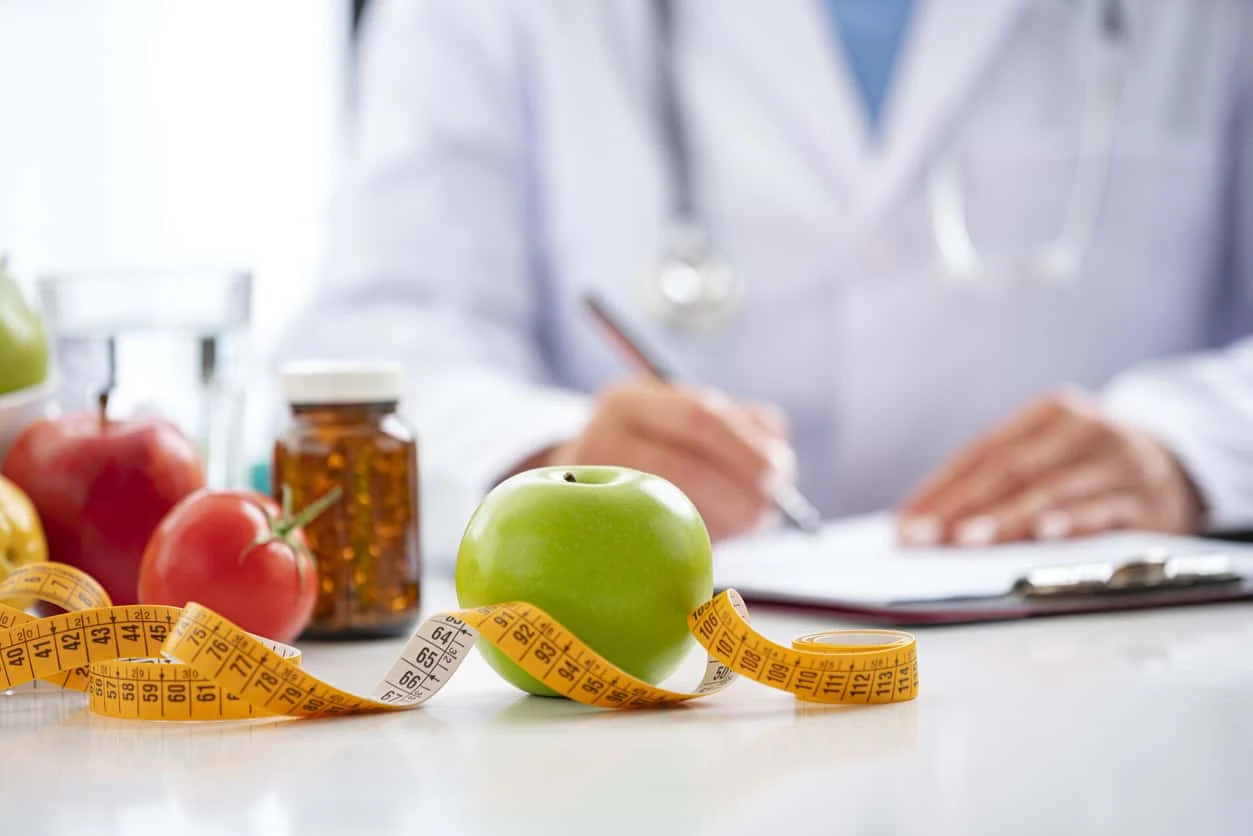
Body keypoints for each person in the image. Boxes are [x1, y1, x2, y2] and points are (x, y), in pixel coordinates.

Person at [283, 0, 1253, 564]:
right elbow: (380, 334)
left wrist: (1191, 442)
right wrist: (551, 460)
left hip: (1113, 661)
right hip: (652, 693)